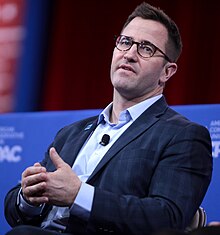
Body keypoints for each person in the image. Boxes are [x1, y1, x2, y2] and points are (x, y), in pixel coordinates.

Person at [4, 2, 213, 235]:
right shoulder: (70, 134)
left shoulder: (183, 136)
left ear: (167, 72)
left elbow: (167, 217)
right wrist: (29, 198)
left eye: (146, 48)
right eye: (125, 42)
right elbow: (15, 213)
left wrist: (78, 195)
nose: (130, 54)